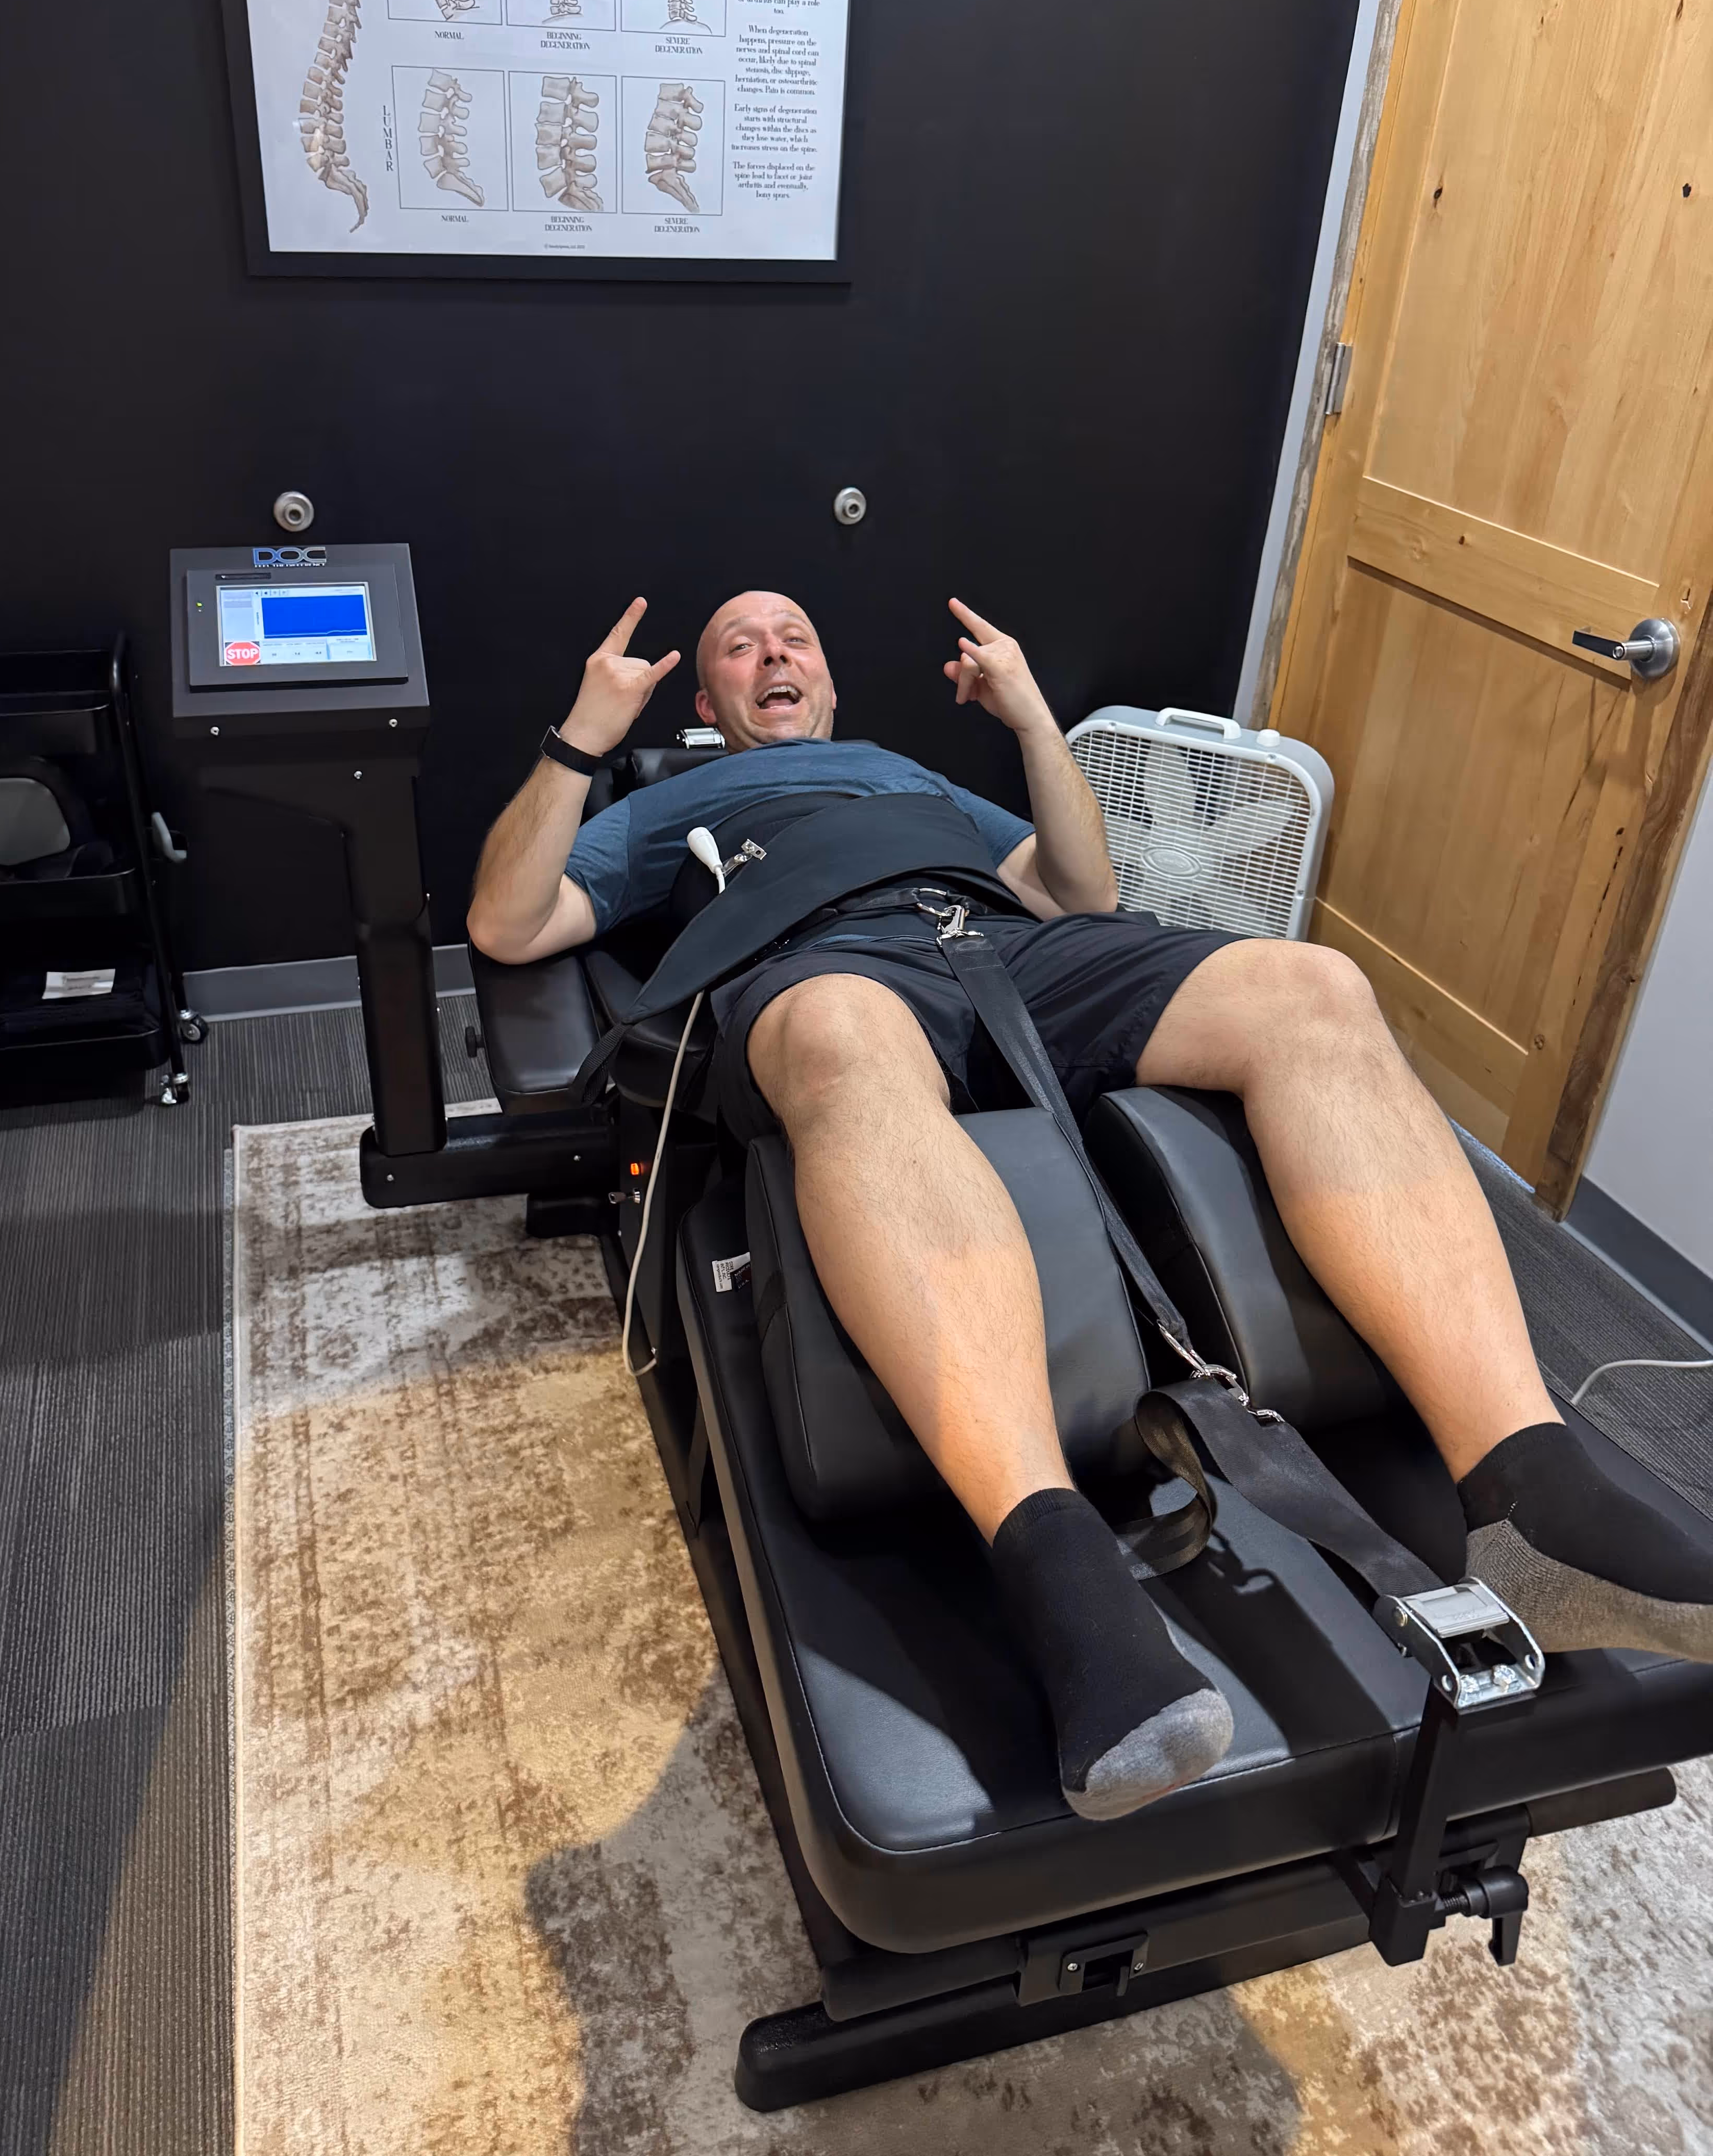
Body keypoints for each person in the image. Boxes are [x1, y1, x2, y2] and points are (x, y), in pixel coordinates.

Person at [470, 590, 1713, 1821]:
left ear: (831, 681)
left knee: (1315, 986)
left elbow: (1080, 890)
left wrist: (1030, 722)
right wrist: (582, 738)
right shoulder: (661, 806)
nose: (773, 653)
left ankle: (1528, 1480)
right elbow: (507, 922)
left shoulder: (906, 775)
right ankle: (1059, 1569)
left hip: (1012, 951)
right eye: (740, 646)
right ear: (706, 701)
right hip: (827, 969)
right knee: (843, 1038)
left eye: (796, 634)